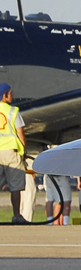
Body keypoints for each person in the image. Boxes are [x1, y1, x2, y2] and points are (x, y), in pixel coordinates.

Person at [0, 85, 27, 223]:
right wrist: (24, 152)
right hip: (11, 152)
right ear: (4, 95)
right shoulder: (13, 111)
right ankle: (16, 215)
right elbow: (20, 134)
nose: (12, 94)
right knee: (15, 186)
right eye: (10, 93)